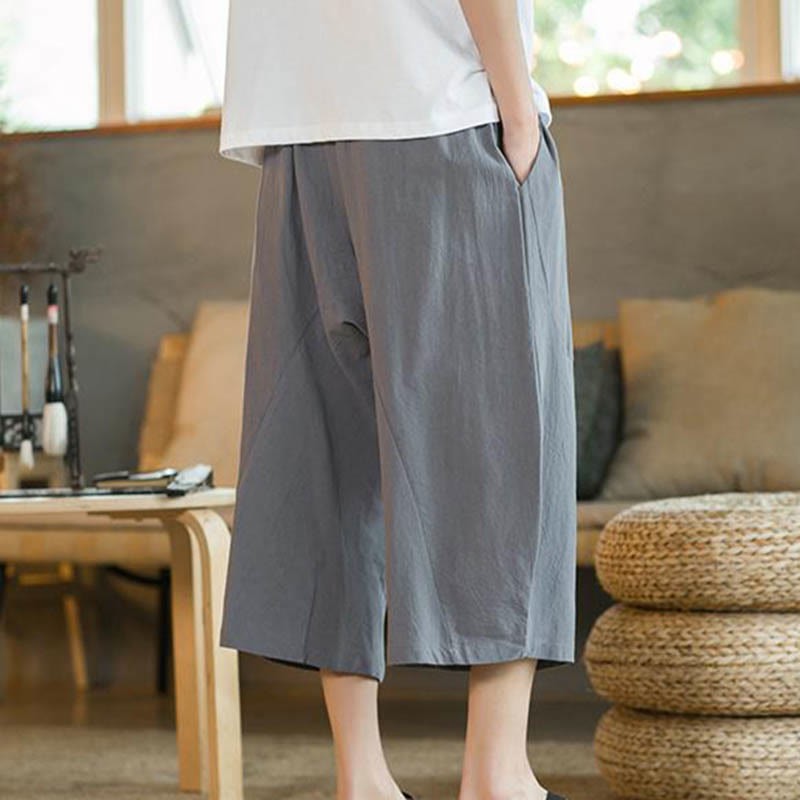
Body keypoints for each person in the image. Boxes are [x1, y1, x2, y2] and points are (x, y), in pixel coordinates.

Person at [218, 2, 577, 799]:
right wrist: (518, 111)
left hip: (297, 130)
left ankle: (363, 778)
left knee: (325, 447)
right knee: (504, 441)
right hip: (441, 111)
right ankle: (498, 776)